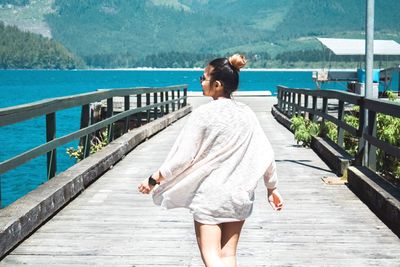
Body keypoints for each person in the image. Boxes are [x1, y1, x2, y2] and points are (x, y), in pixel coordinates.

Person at [138, 54, 283, 267]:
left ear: (217, 85)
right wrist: (272, 188)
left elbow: (183, 158)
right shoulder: (247, 113)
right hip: (239, 194)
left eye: (203, 78)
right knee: (228, 256)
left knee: (212, 258)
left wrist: (154, 178)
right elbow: (264, 152)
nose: (201, 82)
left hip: (211, 195)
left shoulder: (203, 114)